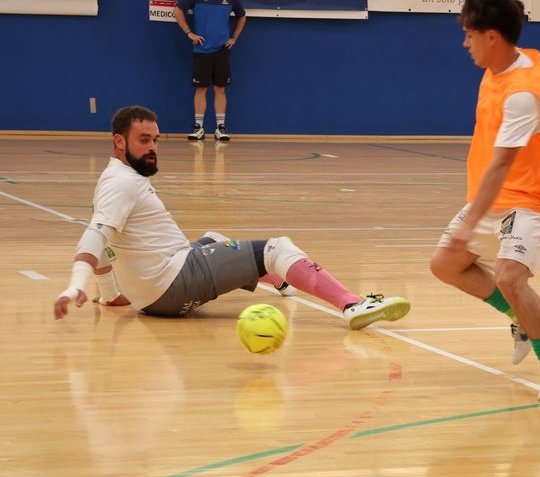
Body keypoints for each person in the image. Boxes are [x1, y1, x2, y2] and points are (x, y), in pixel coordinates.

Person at [53, 105, 411, 332]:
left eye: (156, 140)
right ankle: (353, 305)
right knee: (276, 248)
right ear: (119, 141)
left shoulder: (111, 177)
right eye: (144, 140)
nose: (153, 148)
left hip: (151, 296)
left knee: (213, 237)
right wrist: (75, 285)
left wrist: (111, 294)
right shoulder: (122, 183)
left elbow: (106, 242)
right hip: (174, 284)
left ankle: (283, 281)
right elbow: (95, 238)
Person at [429, 0, 540, 402]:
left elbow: (501, 163)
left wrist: (471, 223)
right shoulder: (513, 65)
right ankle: (521, 318)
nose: (465, 43)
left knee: (510, 276)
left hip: (531, 197)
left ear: (491, 36)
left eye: (469, 34)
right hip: (497, 193)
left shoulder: (521, 93)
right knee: (445, 265)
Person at [173, 0, 246, 142]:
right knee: (201, 89)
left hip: (222, 50)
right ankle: (198, 128)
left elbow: (242, 16)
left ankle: (220, 128)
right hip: (202, 50)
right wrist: (189, 33)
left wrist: (234, 37)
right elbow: (177, 11)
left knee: (220, 89)